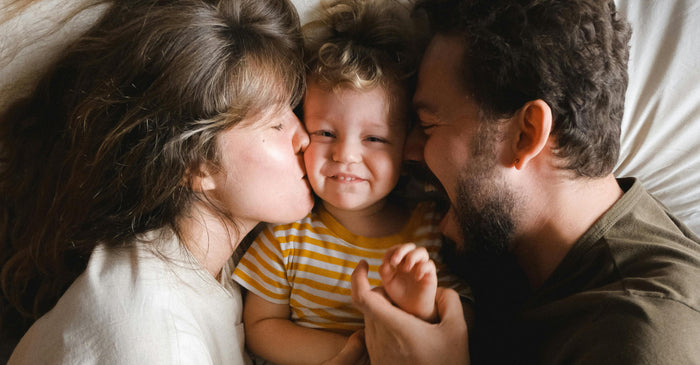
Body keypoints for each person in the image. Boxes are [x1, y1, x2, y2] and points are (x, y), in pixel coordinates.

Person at [0, 0, 367, 363]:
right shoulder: (155, 344)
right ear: (195, 166)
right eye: (275, 124)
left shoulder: (206, 268)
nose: (304, 137)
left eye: (293, 108)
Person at [351, 0, 700, 364]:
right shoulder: (503, 245)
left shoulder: (644, 339)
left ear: (526, 134)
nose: (409, 151)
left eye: (428, 125)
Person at [232, 0, 471, 363]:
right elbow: (262, 326)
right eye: (326, 132)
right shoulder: (286, 235)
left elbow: (462, 320)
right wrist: (353, 353)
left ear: (406, 147)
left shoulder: (431, 230)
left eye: (373, 139)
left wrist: (421, 310)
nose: (345, 155)